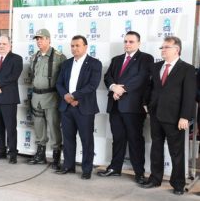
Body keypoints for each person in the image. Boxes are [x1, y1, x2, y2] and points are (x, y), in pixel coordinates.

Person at [141, 36, 196, 195]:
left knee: (176, 152)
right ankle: (154, 178)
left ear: (176, 49)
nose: (162, 50)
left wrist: (185, 116)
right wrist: (146, 103)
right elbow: (149, 86)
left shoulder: (187, 68)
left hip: (175, 117)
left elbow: (189, 94)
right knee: (156, 148)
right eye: (162, 47)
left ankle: (178, 184)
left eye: (166, 47)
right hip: (155, 114)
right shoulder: (155, 66)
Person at [98, 31, 154, 184]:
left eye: (131, 42)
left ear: (138, 43)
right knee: (118, 138)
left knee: (135, 140)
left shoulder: (146, 58)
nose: (127, 44)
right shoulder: (116, 59)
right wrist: (113, 86)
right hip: (115, 106)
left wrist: (120, 90)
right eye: (126, 41)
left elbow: (141, 78)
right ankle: (115, 168)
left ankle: (139, 173)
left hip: (133, 107)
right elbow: (107, 77)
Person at [55, 35, 102, 179]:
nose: (74, 48)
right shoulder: (66, 63)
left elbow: (92, 86)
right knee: (68, 138)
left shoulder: (95, 63)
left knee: (86, 140)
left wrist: (74, 96)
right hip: (67, 107)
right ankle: (68, 166)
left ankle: (87, 170)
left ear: (85, 47)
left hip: (84, 108)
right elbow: (59, 84)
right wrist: (67, 97)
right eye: (72, 46)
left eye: (77, 45)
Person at [28, 28, 67, 170]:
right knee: (38, 126)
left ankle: (56, 156)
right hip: (36, 97)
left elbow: (64, 79)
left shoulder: (59, 57)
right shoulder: (34, 57)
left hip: (52, 97)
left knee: (54, 126)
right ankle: (40, 154)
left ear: (49, 39)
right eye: (37, 39)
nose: (39, 41)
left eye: (41, 38)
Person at [0, 35, 23, 164]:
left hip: (9, 98)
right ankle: (1, 151)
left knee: (10, 127)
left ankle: (13, 153)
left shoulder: (16, 59)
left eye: (4, 44)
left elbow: (14, 76)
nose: (1, 46)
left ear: (10, 45)